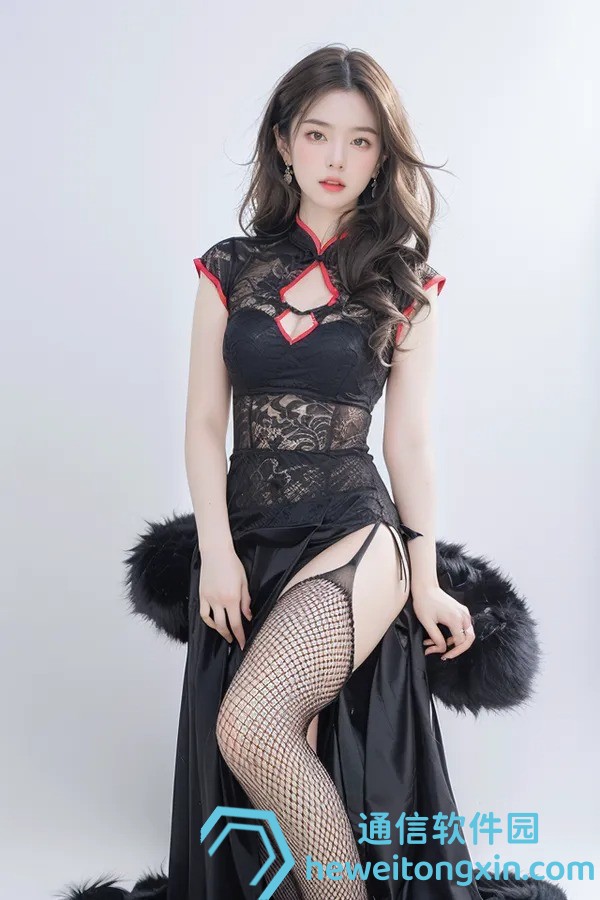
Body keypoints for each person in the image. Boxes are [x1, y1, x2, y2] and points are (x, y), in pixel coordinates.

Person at [60, 44, 564, 900]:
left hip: (356, 536)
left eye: (361, 141)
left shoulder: (406, 283)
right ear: (283, 142)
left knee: (253, 725)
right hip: (250, 533)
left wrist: (426, 576)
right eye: (319, 134)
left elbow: (408, 443)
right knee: (274, 737)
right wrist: (216, 553)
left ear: (382, 157)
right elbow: (203, 423)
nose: (337, 158)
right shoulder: (228, 268)